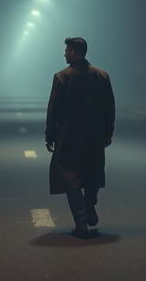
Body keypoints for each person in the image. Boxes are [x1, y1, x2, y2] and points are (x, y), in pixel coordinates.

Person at [45, 37, 115, 238]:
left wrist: (50, 135)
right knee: (92, 173)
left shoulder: (61, 77)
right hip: (94, 136)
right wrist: (108, 132)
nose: (65, 53)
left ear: (74, 52)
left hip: (69, 136)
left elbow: (54, 110)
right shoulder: (102, 75)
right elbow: (109, 107)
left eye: (67, 50)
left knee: (71, 178)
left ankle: (81, 221)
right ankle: (90, 203)